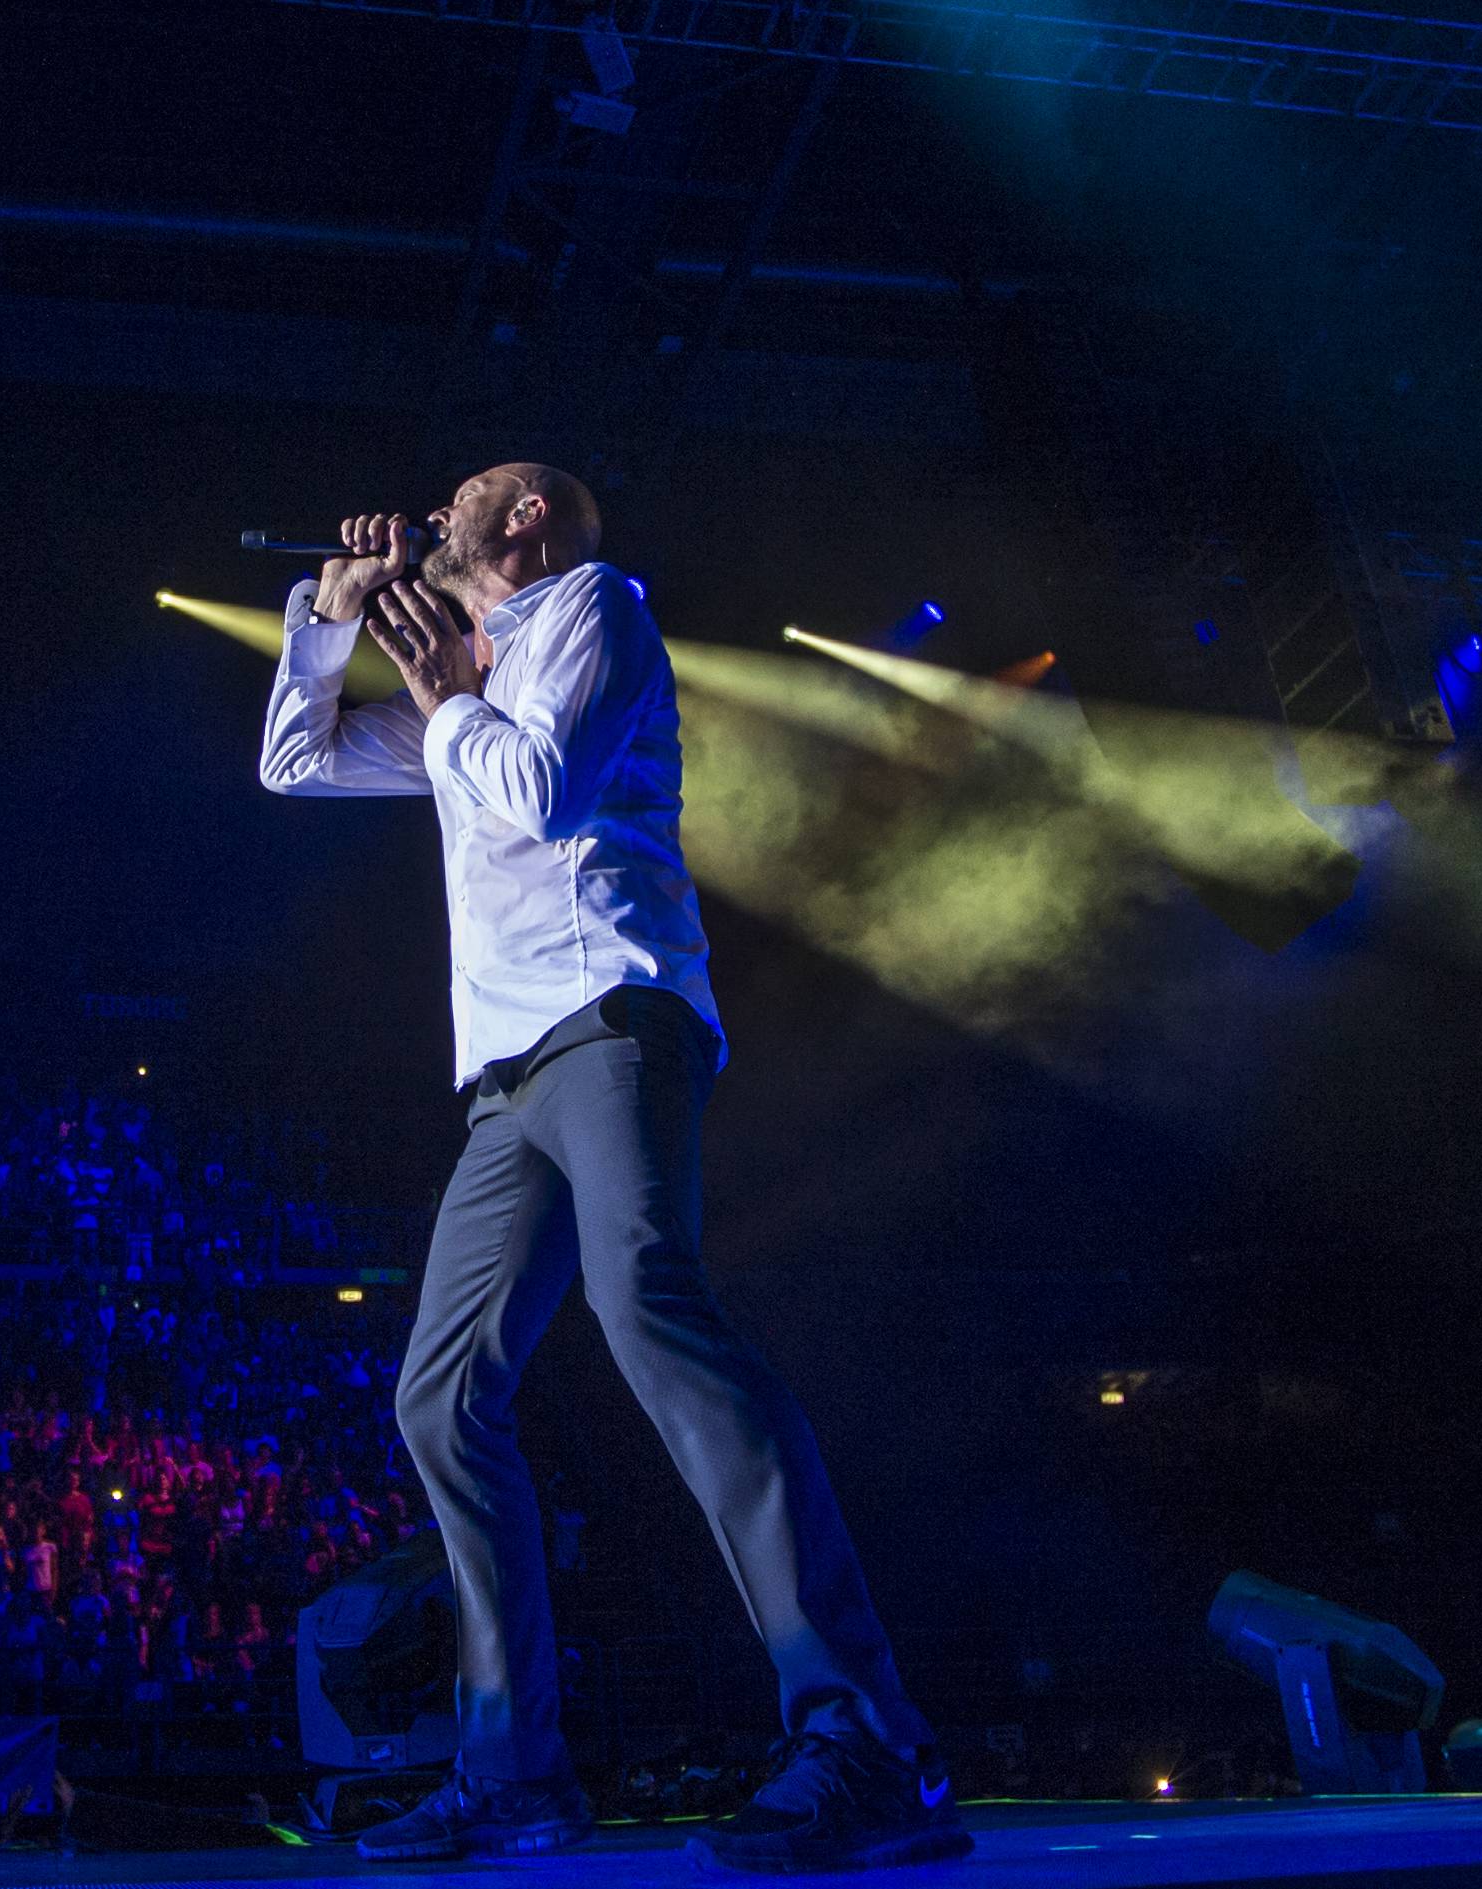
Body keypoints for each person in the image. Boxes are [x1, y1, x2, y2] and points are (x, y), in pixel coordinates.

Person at [258, 465, 967, 1874]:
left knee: (648, 1306)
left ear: (524, 522)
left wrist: (451, 687)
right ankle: (513, 1770)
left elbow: (534, 786)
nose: (433, 512)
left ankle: (869, 1735)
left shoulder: (594, 608)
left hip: (612, 1013)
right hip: (506, 1075)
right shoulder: (465, 666)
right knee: (440, 1395)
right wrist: (322, 622)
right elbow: (295, 762)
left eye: (467, 497)